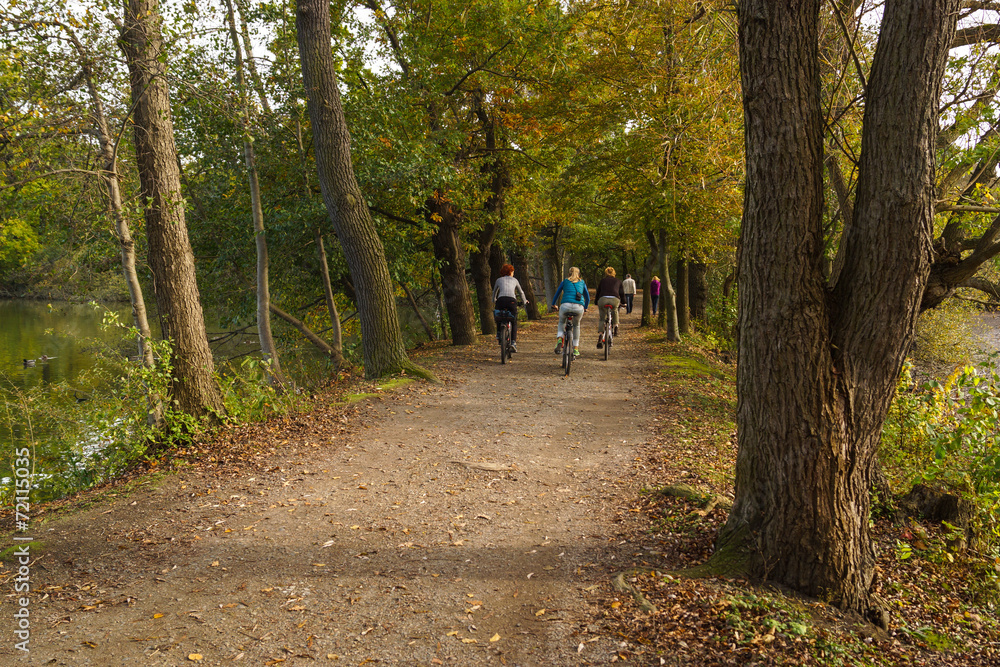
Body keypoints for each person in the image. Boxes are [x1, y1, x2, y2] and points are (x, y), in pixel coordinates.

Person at [550, 266, 589, 358]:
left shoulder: (565, 282)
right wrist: (585, 308)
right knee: (576, 325)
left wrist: (553, 304)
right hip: (578, 307)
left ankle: (560, 339)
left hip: (565, 305)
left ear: (568, 274)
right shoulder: (582, 282)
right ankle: (575, 349)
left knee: (561, 322)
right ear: (578, 274)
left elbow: (557, 294)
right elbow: (587, 297)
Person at [492, 263, 528, 352]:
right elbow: (521, 292)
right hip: (511, 301)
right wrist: (524, 301)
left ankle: (499, 333)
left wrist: (494, 300)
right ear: (510, 272)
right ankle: (513, 342)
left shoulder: (498, 280)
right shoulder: (515, 280)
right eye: (512, 272)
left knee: (499, 316)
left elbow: (494, 292)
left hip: (500, 300)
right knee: (514, 320)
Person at [594, 267, 624, 348]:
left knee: (602, 319)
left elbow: (598, 292)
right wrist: (624, 302)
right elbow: (621, 293)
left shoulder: (602, 281)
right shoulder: (618, 281)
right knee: (615, 310)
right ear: (614, 273)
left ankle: (600, 336)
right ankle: (616, 326)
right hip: (614, 299)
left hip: (603, 299)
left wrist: (596, 301)